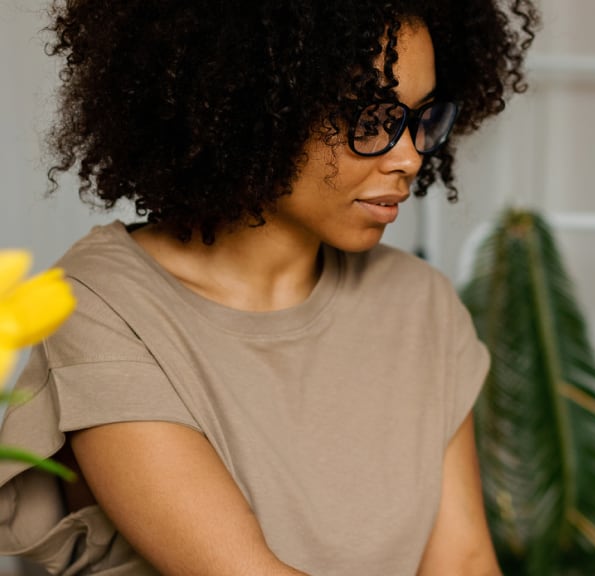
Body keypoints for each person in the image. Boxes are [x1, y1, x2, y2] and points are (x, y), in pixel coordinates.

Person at [0, 0, 539, 574]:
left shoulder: (419, 303)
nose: (408, 157)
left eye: (422, 118)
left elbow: (463, 562)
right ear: (258, 108)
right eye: (372, 120)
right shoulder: (104, 306)